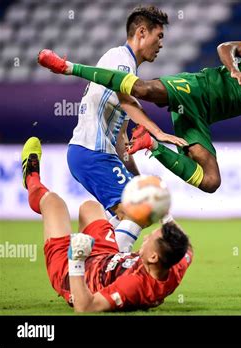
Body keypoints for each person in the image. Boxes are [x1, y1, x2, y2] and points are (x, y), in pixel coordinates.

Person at [38, 38, 241, 212]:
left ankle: (152, 145)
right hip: (195, 88)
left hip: (197, 118)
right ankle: (69, 67)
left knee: (211, 181)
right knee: (141, 89)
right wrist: (234, 70)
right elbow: (227, 47)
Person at [65, 5, 188, 252]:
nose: (161, 44)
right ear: (142, 32)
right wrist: (157, 132)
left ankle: (84, 256)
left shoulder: (125, 64)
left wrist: (135, 177)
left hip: (94, 153)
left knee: (132, 211)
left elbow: (121, 136)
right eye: (159, 36)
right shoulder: (120, 59)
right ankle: (109, 274)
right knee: (136, 211)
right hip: (92, 152)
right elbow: (125, 99)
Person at [21, 136, 192, 312]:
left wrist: (76, 260)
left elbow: (85, 307)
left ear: (154, 257)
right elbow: (187, 247)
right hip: (106, 255)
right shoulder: (177, 260)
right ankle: (116, 229)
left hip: (75, 276)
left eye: (151, 239)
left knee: (52, 202)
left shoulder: (133, 286)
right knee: (90, 207)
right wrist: (163, 212)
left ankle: (31, 178)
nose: (147, 236)